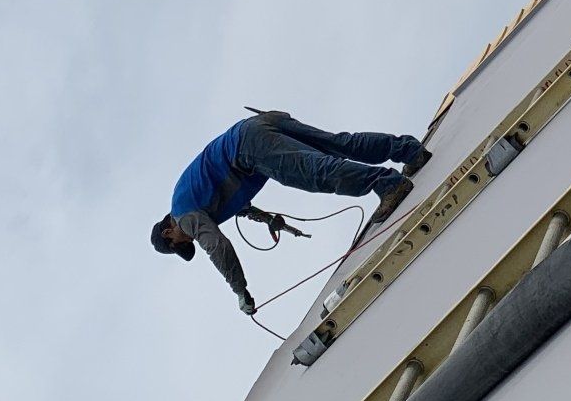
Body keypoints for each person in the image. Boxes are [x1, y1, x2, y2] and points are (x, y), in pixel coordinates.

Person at [151, 109, 431, 315]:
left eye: (182, 243)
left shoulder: (184, 216)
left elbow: (217, 247)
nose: (189, 241)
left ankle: (388, 184)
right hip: (258, 125)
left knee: (317, 172)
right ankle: (409, 150)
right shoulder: (190, 193)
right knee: (338, 143)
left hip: (247, 148)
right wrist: (268, 219)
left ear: (169, 232)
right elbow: (238, 205)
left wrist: (240, 291)